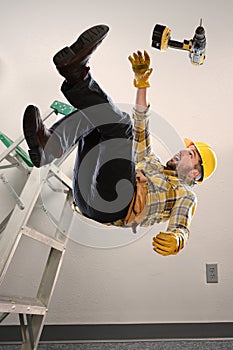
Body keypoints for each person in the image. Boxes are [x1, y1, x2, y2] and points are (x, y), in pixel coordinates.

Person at [22, 24, 217, 256]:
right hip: (86, 192)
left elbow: (181, 226)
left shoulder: (185, 194)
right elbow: (141, 125)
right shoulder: (151, 163)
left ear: (195, 173)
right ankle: (49, 146)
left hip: (112, 205)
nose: (183, 152)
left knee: (121, 125)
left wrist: (176, 239)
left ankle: (78, 76)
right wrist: (142, 84)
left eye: (190, 154)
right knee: (99, 119)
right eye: (187, 150)